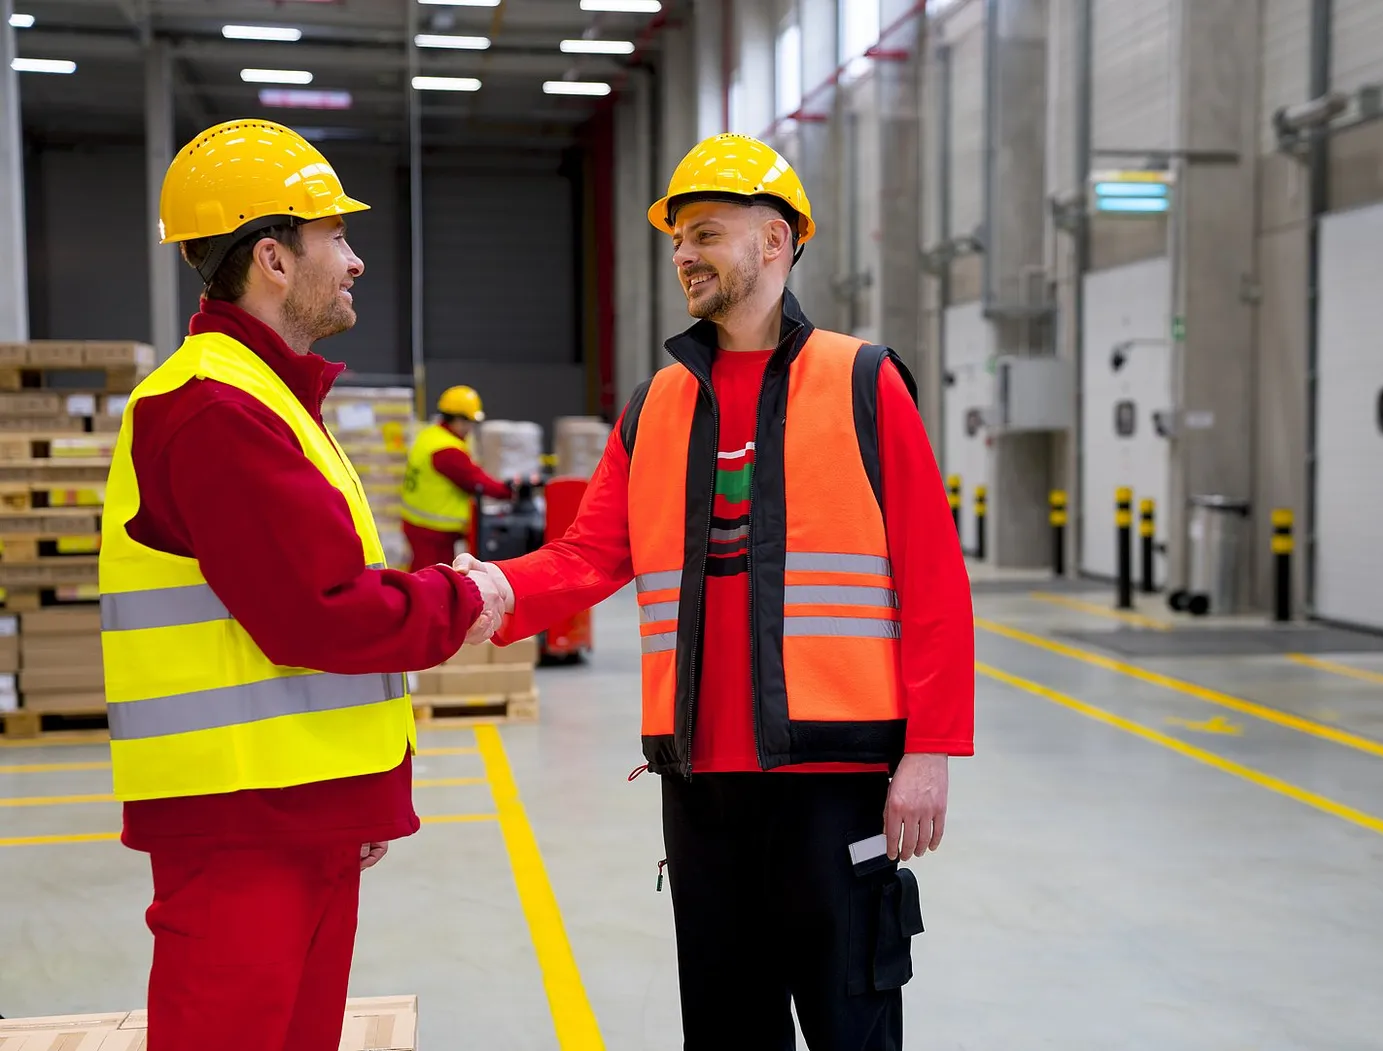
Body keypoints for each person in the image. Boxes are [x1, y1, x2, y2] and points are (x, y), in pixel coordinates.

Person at [459, 133, 976, 1049]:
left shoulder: (864, 382)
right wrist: (495, 587)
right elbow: (589, 554)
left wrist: (929, 750)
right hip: (701, 789)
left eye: (703, 233)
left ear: (774, 243)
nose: (683, 255)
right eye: (676, 241)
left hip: (835, 781)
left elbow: (932, 582)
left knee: (853, 1029)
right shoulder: (658, 402)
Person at [98, 119, 494, 1051]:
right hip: (243, 829)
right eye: (337, 239)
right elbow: (317, 613)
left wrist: (356, 792)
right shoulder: (211, 409)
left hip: (295, 810)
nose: (355, 261)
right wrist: (475, 601)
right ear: (273, 258)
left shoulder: (268, 397)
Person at [400, 385, 526, 571]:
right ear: (457, 419)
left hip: (420, 523)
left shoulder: (431, 435)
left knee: (423, 573)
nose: (470, 429)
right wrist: (508, 491)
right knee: (432, 580)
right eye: (468, 422)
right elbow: (473, 479)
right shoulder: (447, 450)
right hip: (433, 530)